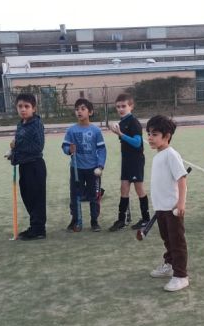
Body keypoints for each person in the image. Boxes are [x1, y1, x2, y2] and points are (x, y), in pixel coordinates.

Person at [147, 115, 190, 292]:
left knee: (177, 242)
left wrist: (180, 204)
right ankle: (170, 264)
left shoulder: (171, 155)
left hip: (172, 208)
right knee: (167, 239)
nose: (150, 137)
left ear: (167, 136)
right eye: (149, 133)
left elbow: (182, 180)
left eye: (154, 134)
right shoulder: (159, 155)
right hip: (161, 208)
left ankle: (181, 276)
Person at [61, 98, 107, 232]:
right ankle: (75, 220)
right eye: (76, 109)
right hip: (76, 168)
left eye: (82, 109)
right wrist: (69, 150)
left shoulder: (96, 131)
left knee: (94, 196)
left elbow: (102, 149)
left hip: (93, 169)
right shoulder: (71, 130)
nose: (79, 112)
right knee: (75, 195)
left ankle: (94, 221)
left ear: (90, 112)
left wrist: (100, 165)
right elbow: (64, 146)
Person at [108, 93, 151, 231]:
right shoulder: (122, 122)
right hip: (126, 160)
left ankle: (146, 219)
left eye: (123, 106)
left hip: (136, 160)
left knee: (139, 189)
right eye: (118, 107)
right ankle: (121, 220)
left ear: (131, 106)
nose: (120, 109)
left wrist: (121, 135)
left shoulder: (134, 122)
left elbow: (137, 143)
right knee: (124, 188)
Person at [7, 93, 47, 240]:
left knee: (36, 198)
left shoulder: (36, 124)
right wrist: (13, 152)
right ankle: (34, 225)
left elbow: (38, 146)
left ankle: (39, 229)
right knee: (27, 197)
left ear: (33, 109)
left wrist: (18, 148)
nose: (23, 109)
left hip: (35, 165)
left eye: (26, 106)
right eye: (20, 106)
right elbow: (20, 144)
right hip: (24, 165)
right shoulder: (20, 124)